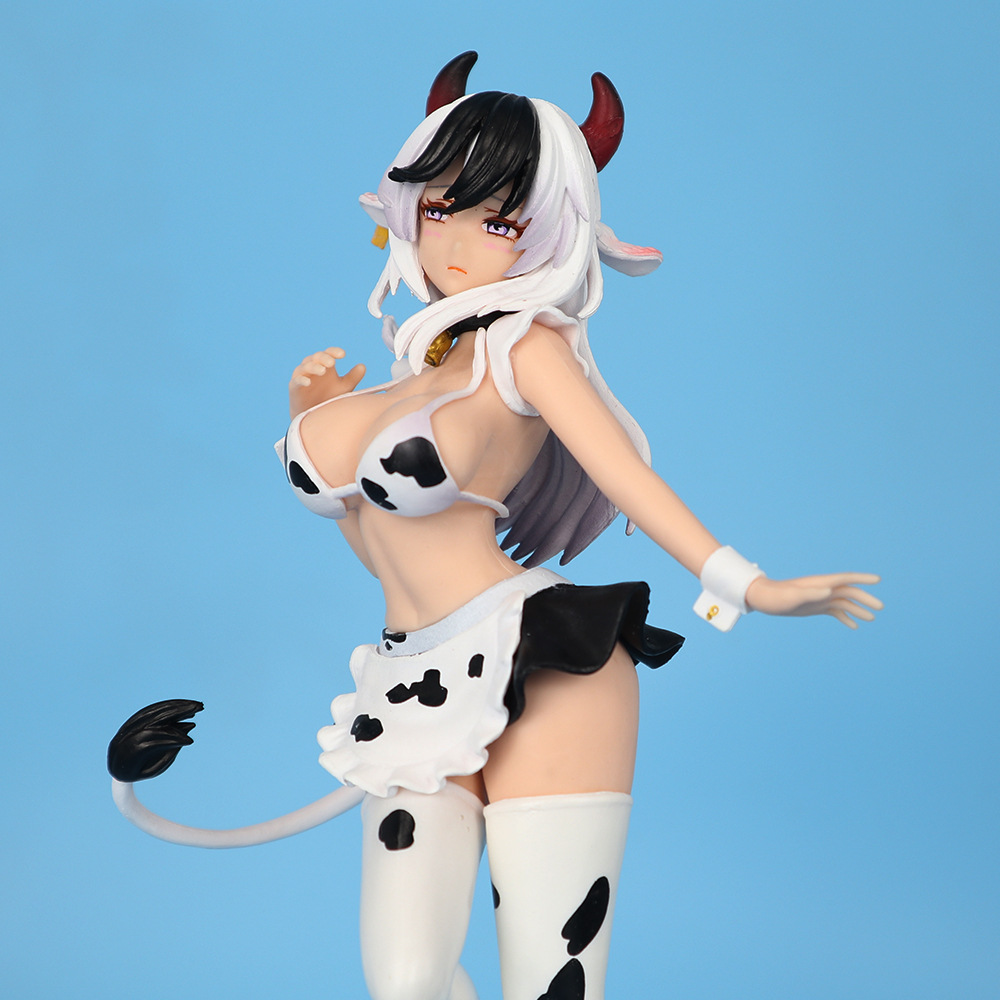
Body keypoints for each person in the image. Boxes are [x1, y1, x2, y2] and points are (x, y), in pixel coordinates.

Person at [108, 52, 880, 1000]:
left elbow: (626, 474)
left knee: (553, 980)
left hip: (545, 662)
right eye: (440, 207)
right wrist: (309, 419)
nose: (457, 241)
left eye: (500, 220)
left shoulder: (525, 346)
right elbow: (386, 551)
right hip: (409, 678)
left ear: (547, 231)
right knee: (407, 982)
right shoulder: (413, 372)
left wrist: (745, 584)